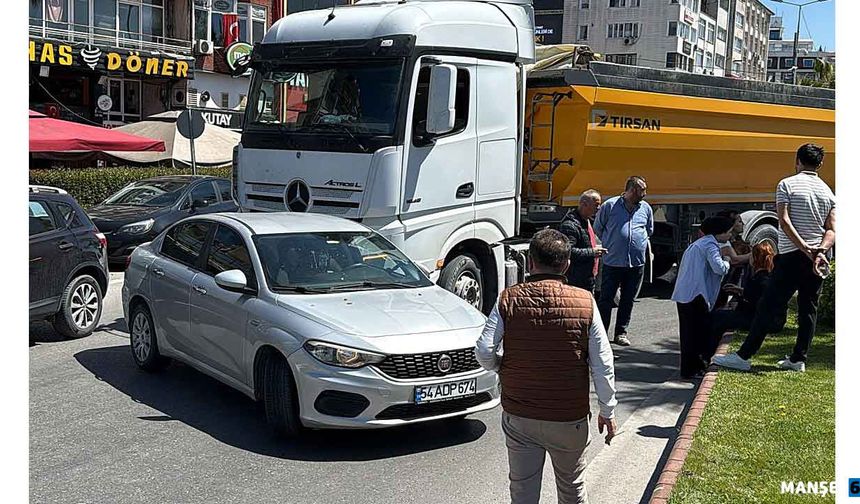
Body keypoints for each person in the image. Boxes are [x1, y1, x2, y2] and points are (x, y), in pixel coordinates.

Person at [475, 229, 617, 504]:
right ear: (566, 265)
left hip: (521, 415)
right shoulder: (585, 301)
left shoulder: (508, 299)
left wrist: (501, 367)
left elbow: (483, 349)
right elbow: (602, 362)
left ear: (530, 263)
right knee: (572, 488)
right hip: (568, 417)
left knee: (523, 491)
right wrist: (607, 409)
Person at [714, 144, 835, 373]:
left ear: (797, 160)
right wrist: (819, 250)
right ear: (819, 164)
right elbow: (832, 229)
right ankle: (798, 359)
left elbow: (784, 221)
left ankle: (744, 356)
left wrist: (803, 247)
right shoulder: (828, 192)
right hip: (817, 259)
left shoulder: (786, 184)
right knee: (808, 309)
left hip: (791, 256)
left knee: (768, 305)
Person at [670, 216, 734, 379]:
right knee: (699, 334)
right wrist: (727, 260)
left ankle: (687, 370)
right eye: (729, 232)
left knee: (687, 334)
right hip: (696, 296)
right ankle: (696, 368)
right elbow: (718, 268)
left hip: (684, 294)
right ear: (721, 232)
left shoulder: (698, 244)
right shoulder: (710, 245)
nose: (730, 236)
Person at [594, 176, 654, 346]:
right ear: (633, 190)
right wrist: (613, 243)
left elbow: (648, 230)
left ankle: (621, 332)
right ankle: (602, 335)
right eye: (643, 190)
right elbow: (599, 228)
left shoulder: (646, 208)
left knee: (628, 299)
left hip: (635, 263)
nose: (645, 193)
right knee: (606, 300)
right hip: (613, 262)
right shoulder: (610, 206)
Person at [709, 242, 783, 353]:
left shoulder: (762, 279)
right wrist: (739, 291)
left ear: (754, 258)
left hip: (762, 320)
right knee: (721, 315)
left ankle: (707, 352)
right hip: (767, 318)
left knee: (718, 317)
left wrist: (740, 298)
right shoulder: (767, 276)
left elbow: (755, 302)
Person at [559, 190, 606, 292]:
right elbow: (568, 251)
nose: (598, 209)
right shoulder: (570, 225)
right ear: (584, 204)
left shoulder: (587, 221)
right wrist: (592, 252)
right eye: (596, 205)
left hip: (587, 278)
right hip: (576, 281)